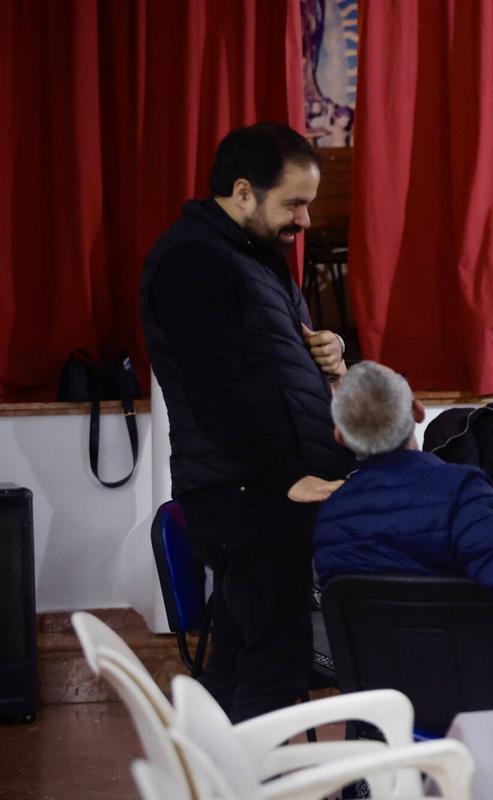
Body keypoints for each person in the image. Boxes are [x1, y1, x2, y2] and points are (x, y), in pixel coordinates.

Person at [140, 122, 357, 722]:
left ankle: (206, 779)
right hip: (246, 494)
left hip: (261, 491)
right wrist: (285, 473)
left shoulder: (255, 259)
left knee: (239, 662)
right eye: (294, 204)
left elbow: (272, 373)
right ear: (242, 192)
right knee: (276, 665)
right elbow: (217, 390)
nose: (305, 221)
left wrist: (329, 354)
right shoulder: (193, 262)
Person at [313, 362, 493, 648]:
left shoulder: (331, 520)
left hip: (381, 686)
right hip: (485, 680)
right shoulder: (461, 493)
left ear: (339, 435)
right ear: (417, 410)